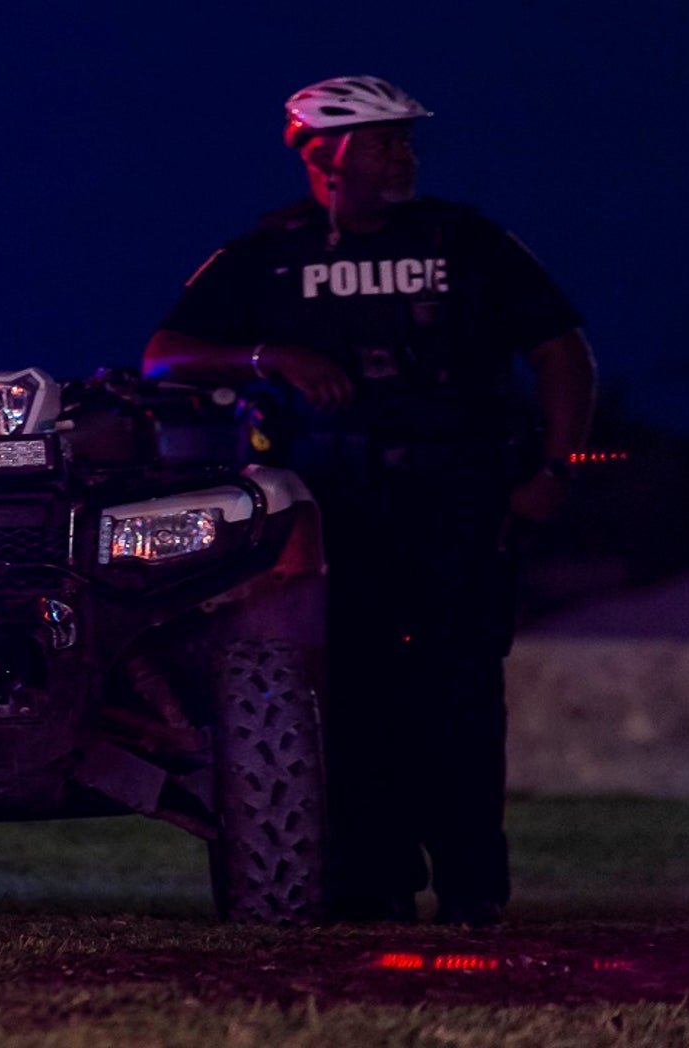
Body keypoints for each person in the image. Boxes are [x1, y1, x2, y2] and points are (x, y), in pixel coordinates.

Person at [142, 76, 596, 926]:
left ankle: (472, 889)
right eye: (385, 140)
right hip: (333, 507)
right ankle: (366, 886)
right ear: (325, 156)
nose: (404, 155)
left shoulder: (467, 243)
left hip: (459, 497)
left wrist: (556, 470)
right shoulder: (267, 256)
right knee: (345, 692)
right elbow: (163, 356)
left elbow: (564, 352)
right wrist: (269, 355)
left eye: (406, 140)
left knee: (459, 690)